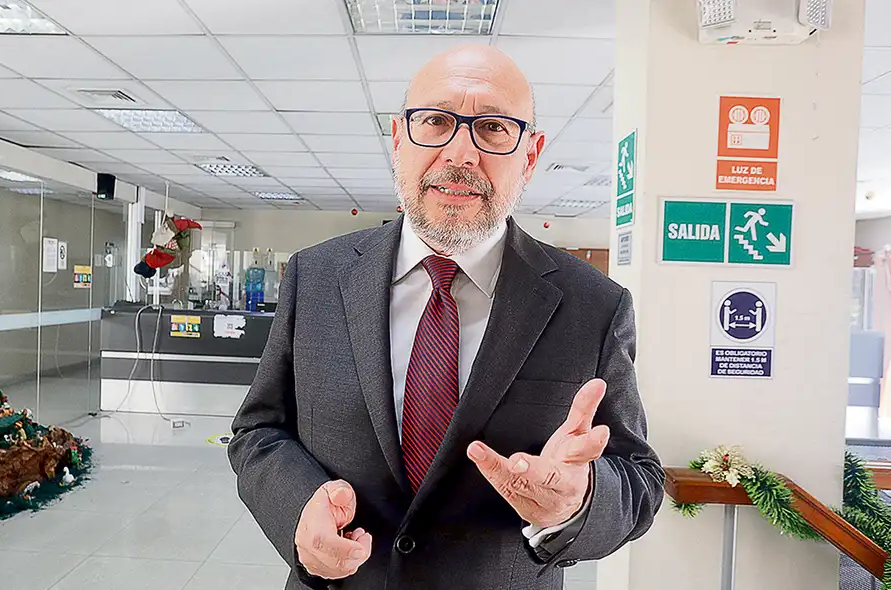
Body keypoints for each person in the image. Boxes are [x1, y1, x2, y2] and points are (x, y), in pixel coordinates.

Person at [228, 44, 664, 590]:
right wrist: (297, 509)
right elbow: (258, 430)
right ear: (398, 139)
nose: (460, 153)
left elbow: (639, 479)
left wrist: (577, 502)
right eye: (435, 121)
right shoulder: (315, 277)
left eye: (494, 128)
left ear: (530, 154)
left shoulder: (594, 306)